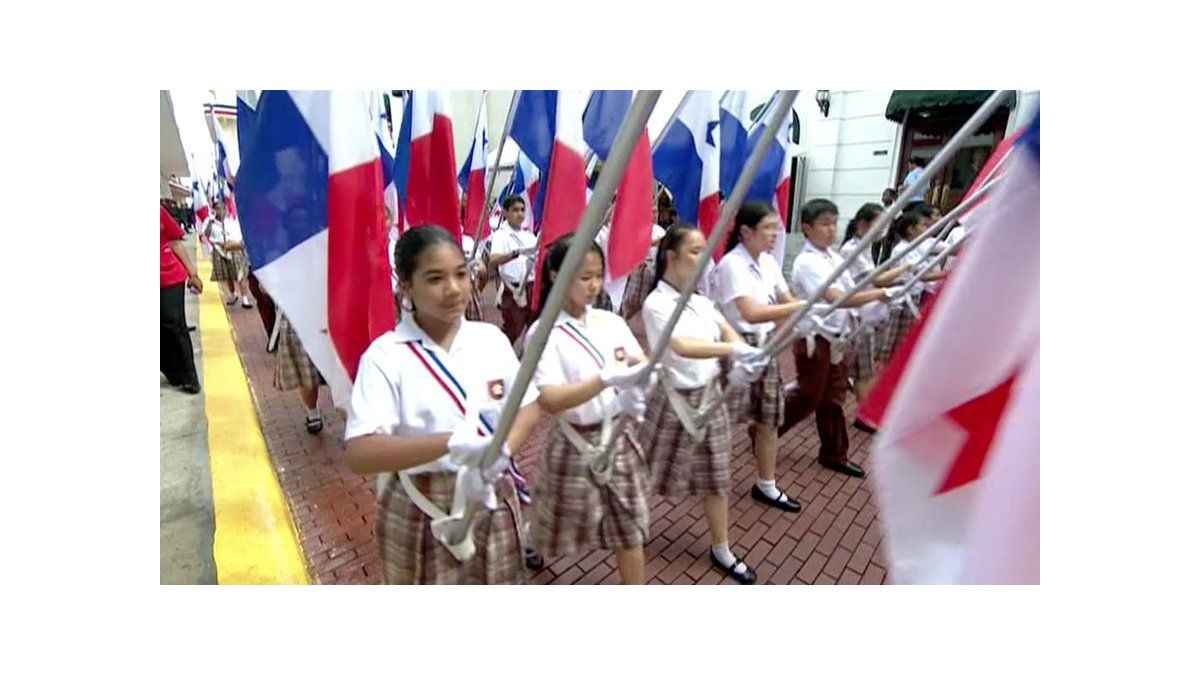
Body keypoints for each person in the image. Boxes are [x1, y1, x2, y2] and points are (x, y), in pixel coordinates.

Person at [343, 225, 542, 584]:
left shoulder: (490, 340)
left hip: (490, 494)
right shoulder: (385, 357)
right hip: (422, 506)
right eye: (435, 278)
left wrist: (503, 450)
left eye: (461, 274)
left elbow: (528, 405)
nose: (453, 289)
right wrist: (450, 443)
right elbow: (361, 452)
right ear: (405, 285)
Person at [639, 225, 764, 584]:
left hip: (710, 399)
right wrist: (733, 350)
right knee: (649, 470)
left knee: (716, 476)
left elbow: (726, 329)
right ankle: (628, 519)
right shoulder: (656, 303)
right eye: (695, 251)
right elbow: (681, 345)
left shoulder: (701, 300)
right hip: (672, 401)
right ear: (670, 257)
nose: (703, 258)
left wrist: (742, 352)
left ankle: (721, 547)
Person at [527, 235, 652, 584]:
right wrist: (604, 380)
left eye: (598, 275)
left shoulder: (609, 322)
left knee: (630, 527)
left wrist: (642, 376)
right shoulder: (542, 332)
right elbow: (549, 399)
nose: (595, 285)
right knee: (555, 518)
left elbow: (638, 358)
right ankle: (533, 541)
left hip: (617, 437)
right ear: (555, 274)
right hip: (574, 442)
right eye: (585, 277)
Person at [782, 200, 909, 479]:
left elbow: (856, 288)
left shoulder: (834, 257)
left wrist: (890, 284)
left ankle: (834, 453)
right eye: (825, 224)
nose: (831, 230)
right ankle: (765, 429)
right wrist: (881, 295)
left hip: (838, 338)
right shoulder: (807, 261)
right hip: (815, 338)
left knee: (833, 398)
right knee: (808, 396)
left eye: (834, 223)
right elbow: (837, 298)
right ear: (806, 228)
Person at [711, 201, 807, 513]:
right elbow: (750, 313)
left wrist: (801, 312)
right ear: (745, 232)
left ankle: (766, 484)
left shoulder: (768, 262)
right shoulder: (731, 265)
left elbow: (785, 298)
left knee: (769, 417)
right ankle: (714, 484)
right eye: (767, 228)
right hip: (736, 347)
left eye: (775, 228)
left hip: (766, 347)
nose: (774, 235)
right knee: (724, 421)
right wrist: (799, 308)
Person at [838, 203, 913, 400]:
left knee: (860, 368)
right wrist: (906, 266)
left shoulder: (865, 248)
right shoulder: (851, 249)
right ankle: (864, 414)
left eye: (885, 226)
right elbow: (877, 280)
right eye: (879, 225)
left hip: (866, 315)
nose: (882, 230)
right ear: (862, 224)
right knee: (864, 371)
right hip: (858, 316)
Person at [161, 205, 202, 394]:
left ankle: (190, 377)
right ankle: (173, 373)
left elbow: (175, 242)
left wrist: (192, 273)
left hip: (169, 277)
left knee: (175, 325)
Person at [486, 196, 538, 344]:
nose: (520, 214)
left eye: (522, 210)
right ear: (505, 212)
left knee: (534, 329)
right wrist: (515, 253)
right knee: (513, 329)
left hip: (532, 287)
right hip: (514, 290)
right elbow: (493, 260)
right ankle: (501, 359)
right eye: (515, 210)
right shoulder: (500, 235)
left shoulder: (529, 236)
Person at [205, 201, 254, 308]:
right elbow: (206, 234)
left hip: (233, 250)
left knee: (241, 275)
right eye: (217, 208)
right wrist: (210, 221)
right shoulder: (210, 222)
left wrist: (230, 245)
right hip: (219, 251)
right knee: (227, 276)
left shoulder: (231, 222)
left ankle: (245, 298)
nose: (220, 211)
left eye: (222, 208)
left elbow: (238, 238)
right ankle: (233, 294)